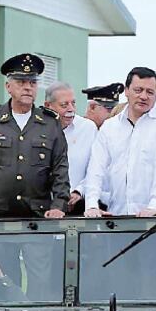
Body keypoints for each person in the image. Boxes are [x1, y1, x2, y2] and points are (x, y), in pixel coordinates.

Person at [0, 53, 69, 220]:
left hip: (38, 214)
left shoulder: (50, 122)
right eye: (21, 82)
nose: (28, 87)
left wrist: (59, 205)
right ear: (8, 87)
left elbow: (60, 169)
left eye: (32, 83)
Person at [84, 67, 156, 217]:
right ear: (127, 91)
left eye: (150, 92)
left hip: (155, 217)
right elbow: (96, 169)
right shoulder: (109, 127)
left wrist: (154, 207)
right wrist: (91, 205)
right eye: (138, 90)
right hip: (116, 215)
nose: (143, 96)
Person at [46, 82, 96, 215]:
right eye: (64, 105)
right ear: (48, 106)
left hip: (79, 205)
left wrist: (79, 191)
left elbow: (96, 168)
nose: (71, 109)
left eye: (73, 103)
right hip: (46, 207)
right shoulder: (36, 128)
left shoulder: (88, 128)